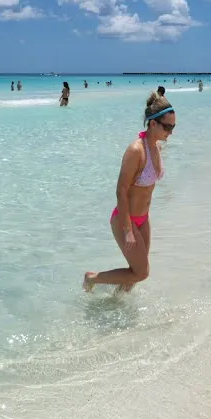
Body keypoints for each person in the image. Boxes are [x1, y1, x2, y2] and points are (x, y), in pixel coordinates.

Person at [83, 92, 176, 293]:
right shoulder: (136, 151)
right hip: (126, 220)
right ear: (153, 124)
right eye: (167, 127)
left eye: (173, 127)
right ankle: (92, 278)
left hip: (143, 219)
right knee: (142, 272)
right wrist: (127, 229)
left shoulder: (156, 147)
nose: (171, 132)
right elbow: (121, 190)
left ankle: (118, 306)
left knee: (135, 273)